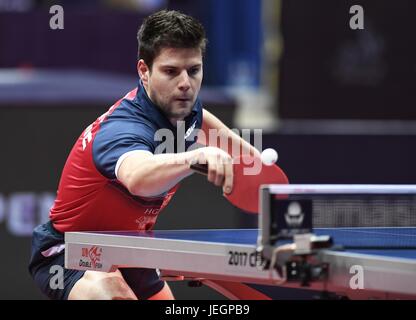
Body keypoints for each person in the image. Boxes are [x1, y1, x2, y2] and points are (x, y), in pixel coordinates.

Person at [29, 9, 260, 300]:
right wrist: (193, 158)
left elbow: (243, 154)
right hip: (70, 252)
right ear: (144, 71)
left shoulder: (188, 110)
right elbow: (138, 178)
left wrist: (259, 169)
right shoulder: (123, 130)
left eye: (194, 70)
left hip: (132, 251)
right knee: (111, 294)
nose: (186, 83)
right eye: (171, 71)